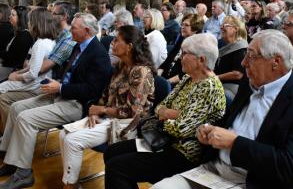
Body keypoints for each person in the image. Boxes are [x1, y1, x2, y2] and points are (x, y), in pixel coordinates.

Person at [152, 29, 293, 189]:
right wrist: (209, 131)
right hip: (215, 169)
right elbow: (230, 123)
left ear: (275, 62)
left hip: (256, 181)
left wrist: (234, 143)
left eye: (251, 56)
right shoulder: (249, 83)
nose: (243, 63)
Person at [0, 13, 113, 188]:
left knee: (25, 119)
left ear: (87, 30)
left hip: (76, 104)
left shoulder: (99, 55)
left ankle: (23, 174)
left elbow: (91, 90)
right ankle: (11, 159)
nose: (70, 30)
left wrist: (60, 88)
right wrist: (59, 84)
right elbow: (71, 74)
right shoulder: (80, 46)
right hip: (62, 94)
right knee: (15, 108)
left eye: (74, 28)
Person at [104, 33, 226, 189]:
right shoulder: (188, 78)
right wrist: (173, 114)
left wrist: (167, 115)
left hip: (183, 152)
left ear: (201, 59)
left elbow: (181, 129)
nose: (180, 57)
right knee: (111, 152)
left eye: (185, 54)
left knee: (117, 167)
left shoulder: (209, 87)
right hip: (164, 140)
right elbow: (159, 108)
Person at [59, 25, 155, 189]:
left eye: (117, 40)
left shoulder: (141, 71)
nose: (111, 43)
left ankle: (70, 185)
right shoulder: (120, 66)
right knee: (63, 134)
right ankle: (71, 182)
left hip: (127, 125)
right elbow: (106, 94)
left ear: (129, 47)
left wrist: (102, 110)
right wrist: (95, 112)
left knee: (72, 140)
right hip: (109, 118)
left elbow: (133, 111)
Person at [0, 8, 59, 132]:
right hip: (35, 82)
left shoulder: (40, 44)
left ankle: (8, 133)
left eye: (30, 21)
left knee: (2, 93)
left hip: (35, 86)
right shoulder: (47, 41)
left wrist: (16, 77)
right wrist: (18, 73)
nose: (28, 24)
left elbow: (33, 73)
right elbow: (30, 66)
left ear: (36, 23)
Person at [159, 13, 204, 85]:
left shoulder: (197, 46)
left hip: (179, 83)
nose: (182, 27)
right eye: (182, 24)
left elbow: (185, 74)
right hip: (166, 77)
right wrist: (159, 74)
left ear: (195, 28)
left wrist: (166, 83)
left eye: (186, 25)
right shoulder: (182, 39)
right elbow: (169, 59)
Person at [215, 16, 248, 101]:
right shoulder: (223, 45)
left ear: (235, 29)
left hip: (232, 89)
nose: (221, 27)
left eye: (225, 25)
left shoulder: (242, 47)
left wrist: (214, 78)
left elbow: (237, 74)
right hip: (220, 85)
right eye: (221, 25)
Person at [0, 6, 33, 81]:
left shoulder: (25, 35)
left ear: (20, 18)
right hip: (6, 63)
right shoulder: (16, 32)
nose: (9, 17)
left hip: (11, 68)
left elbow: (14, 59)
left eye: (13, 15)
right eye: (10, 14)